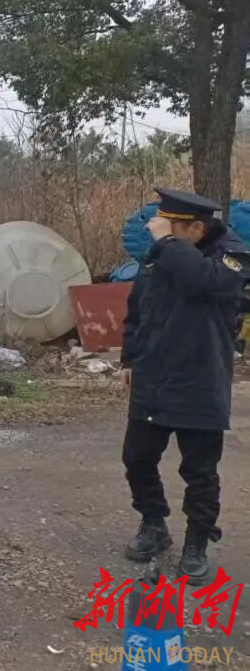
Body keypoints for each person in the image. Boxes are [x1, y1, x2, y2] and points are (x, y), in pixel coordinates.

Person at [120, 188, 250, 582]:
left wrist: (168, 243)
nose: (158, 230)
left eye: (170, 226)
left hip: (200, 378)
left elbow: (206, 282)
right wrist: (129, 359)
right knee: (137, 458)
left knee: (200, 471)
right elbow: (137, 310)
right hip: (154, 376)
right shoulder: (162, 253)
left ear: (196, 229)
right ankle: (153, 522)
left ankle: (197, 543)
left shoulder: (230, 257)